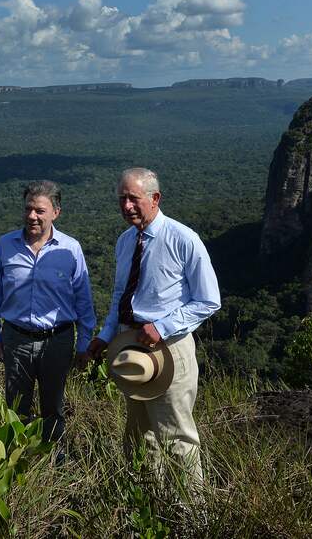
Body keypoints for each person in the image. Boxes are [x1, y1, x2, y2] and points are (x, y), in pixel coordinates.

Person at [87, 167, 220, 488]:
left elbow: (208, 300)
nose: (127, 206)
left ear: (155, 198)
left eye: (133, 199)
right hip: (130, 347)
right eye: (122, 199)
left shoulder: (183, 239)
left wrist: (163, 327)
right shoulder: (124, 241)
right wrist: (105, 336)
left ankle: (191, 517)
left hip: (170, 348)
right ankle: (147, 508)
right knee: (138, 437)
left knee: (177, 438)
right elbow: (121, 294)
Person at [0, 180, 96, 446]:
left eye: (40, 211)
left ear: (56, 212)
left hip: (57, 340)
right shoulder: (5, 245)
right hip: (15, 338)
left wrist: (84, 344)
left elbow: (83, 300)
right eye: (28, 209)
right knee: (16, 408)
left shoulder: (70, 249)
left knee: (53, 408)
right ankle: (16, 463)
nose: (32, 216)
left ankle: (53, 462)